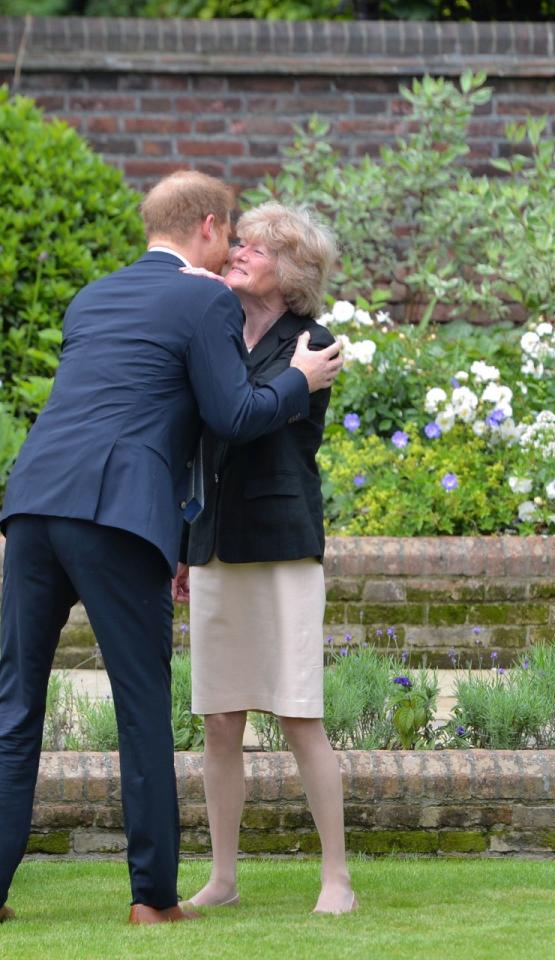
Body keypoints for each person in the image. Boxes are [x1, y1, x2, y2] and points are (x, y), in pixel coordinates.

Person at [0, 172, 343, 926]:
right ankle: (152, 899)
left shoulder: (93, 296)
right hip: (118, 515)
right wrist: (297, 381)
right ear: (212, 228)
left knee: (15, 704)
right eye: (235, 235)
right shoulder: (206, 299)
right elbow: (230, 410)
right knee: (141, 709)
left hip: (30, 501)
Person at [173, 202, 356, 916]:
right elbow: (203, 444)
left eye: (258, 246)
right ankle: (222, 878)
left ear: (293, 269)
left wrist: (290, 381)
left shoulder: (316, 342)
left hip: (281, 547)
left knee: (299, 713)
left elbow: (246, 419)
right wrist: (189, 545)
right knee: (221, 720)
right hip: (216, 545)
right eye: (240, 242)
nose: (240, 250)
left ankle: (336, 877)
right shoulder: (217, 330)